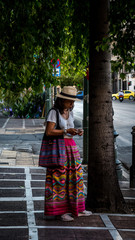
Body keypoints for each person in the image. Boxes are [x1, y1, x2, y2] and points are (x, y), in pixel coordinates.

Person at [44, 86, 92, 221]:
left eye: (73, 101)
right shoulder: (54, 112)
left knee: (75, 178)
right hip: (59, 149)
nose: (72, 104)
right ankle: (61, 212)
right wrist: (66, 131)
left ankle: (78, 209)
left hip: (71, 148)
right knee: (60, 179)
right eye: (69, 101)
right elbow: (49, 132)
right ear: (62, 100)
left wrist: (76, 131)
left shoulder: (69, 112)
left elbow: (68, 129)